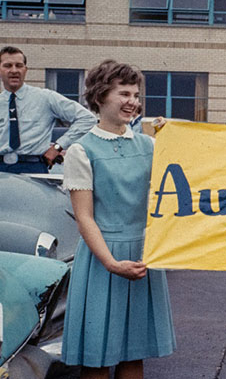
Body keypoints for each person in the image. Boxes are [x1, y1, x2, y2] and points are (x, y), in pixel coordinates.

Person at [61, 59, 176, 378]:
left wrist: (175, 140)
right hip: (103, 259)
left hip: (142, 256)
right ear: (99, 97)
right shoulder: (81, 151)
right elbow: (84, 218)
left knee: (133, 356)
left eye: (136, 95)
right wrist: (111, 263)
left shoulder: (150, 144)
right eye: (124, 93)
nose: (133, 102)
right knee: (97, 359)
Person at [0, 46, 96, 174]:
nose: (14, 70)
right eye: (8, 66)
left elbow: (87, 119)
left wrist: (57, 147)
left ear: (25, 70)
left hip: (33, 168)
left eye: (19, 65)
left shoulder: (45, 98)